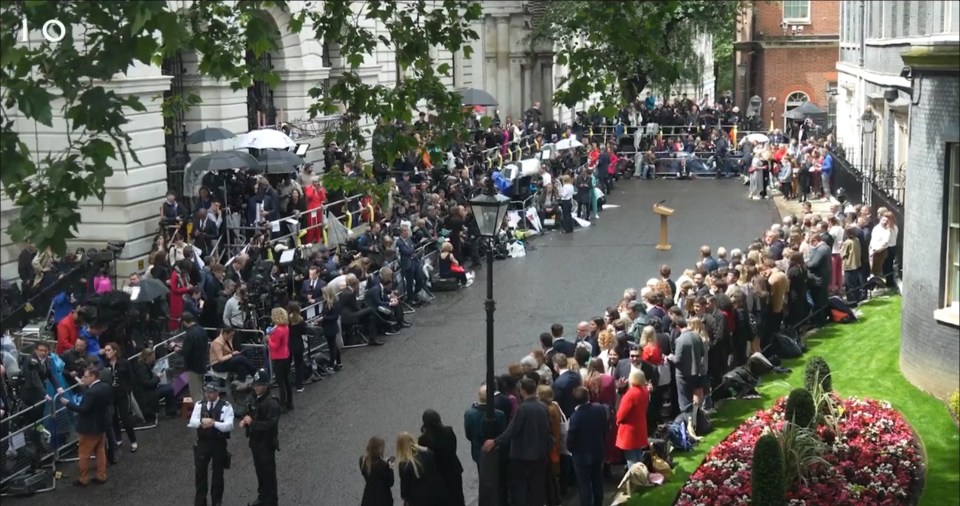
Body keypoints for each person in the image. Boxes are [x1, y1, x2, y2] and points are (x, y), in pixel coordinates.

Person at [482, 377, 552, 506]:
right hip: (540, 454)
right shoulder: (543, 407)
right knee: (537, 489)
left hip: (523, 456)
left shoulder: (523, 409)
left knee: (520, 489)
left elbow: (512, 430)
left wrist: (495, 441)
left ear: (522, 391)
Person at [59, 366, 111, 487]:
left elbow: (83, 409)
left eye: (86, 377)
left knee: (83, 454)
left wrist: (68, 404)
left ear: (93, 377)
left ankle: (83, 478)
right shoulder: (105, 387)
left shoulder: (91, 392)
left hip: (89, 428)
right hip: (102, 424)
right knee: (100, 450)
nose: (83, 379)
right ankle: (101, 475)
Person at [188, 382, 235, 506]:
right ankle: (200, 501)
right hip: (203, 443)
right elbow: (192, 422)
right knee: (200, 474)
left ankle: (216, 501)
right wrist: (201, 421)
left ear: (217, 393)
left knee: (218, 474)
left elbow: (229, 425)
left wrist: (214, 424)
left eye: (211, 392)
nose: (209, 395)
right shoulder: (199, 405)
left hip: (218, 443)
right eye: (207, 392)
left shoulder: (226, 406)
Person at [239, 369, 281, 506]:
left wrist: (253, 423)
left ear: (266, 385)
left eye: (259, 385)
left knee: (268, 473)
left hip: (267, 443)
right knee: (259, 471)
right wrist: (245, 422)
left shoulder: (272, 403)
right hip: (255, 442)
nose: (256, 387)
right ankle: (262, 497)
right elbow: (248, 412)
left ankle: (271, 501)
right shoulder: (252, 398)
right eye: (255, 384)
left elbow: (270, 424)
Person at [567, 386, 608, 506]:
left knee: (584, 485)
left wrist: (570, 448)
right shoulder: (600, 409)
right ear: (588, 396)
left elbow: (571, 437)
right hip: (598, 451)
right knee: (597, 482)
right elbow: (605, 428)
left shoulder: (576, 416)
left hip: (581, 456)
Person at [418, 409, 465, 506]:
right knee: (457, 496)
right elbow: (453, 447)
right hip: (453, 469)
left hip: (438, 473)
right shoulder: (448, 431)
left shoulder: (424, 439)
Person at [396, 432, 449, 506]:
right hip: (437, 493)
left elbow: (405, 488)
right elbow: (431, 454)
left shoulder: (404, 464)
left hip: (420, 500)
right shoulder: (427, 454)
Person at [103, 342, 138, 453]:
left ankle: (133, 440)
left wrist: (127, 388)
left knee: (125, 417)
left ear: (115, 351)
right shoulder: (106, 364)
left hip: (122, 393)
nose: (106, 353)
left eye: (109, 350)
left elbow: (131, 376)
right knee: (113, 418)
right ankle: (118, 439)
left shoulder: (124, 362)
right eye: (106, 350)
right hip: (110, 395)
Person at [463, 385, 506, 473]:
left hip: (478, 451)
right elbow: (503, 432)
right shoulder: (499, 414)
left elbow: (468, 434)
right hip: (496, 452)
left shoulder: (469, 414)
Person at [615, 370, 649, 470]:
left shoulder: (630, 394)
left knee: (631, 459)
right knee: (638, 455)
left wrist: (618, 420)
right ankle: (643, 476)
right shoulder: (644, 391)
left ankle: (636, 481)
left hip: (629, 429)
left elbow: (622, 413)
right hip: (640, 425)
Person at [266, 307, 293, 411]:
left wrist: (269, 339)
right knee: (287, 381)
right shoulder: (285, 327)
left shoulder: (278, 330)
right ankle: (289, 403)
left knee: (281, 383)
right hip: (286, 355)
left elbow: (275, 345)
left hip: (279, 357)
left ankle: (282, 405)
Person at [360, 436, 394, 506]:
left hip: (368, 498)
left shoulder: (362, 461)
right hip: (383, 500)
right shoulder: (383, 465)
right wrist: (390, 468)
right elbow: (390, 482)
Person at [286, 302, 309, 392]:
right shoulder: (300, 320)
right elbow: (304, 331)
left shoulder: (286, 320)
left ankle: (287, 384)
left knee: (287, 366)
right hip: (298, 344)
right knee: (298, 365)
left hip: (288, 344)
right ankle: (299, 386)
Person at [320, 285, 343, 370]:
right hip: (327, 326)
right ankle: (338, 362)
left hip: (331, 327)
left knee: (332, 346)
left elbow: (335, 317)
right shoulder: (326, 302)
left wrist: (324, 318)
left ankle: (332, 364)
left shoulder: (335, 303)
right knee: (333, 345)